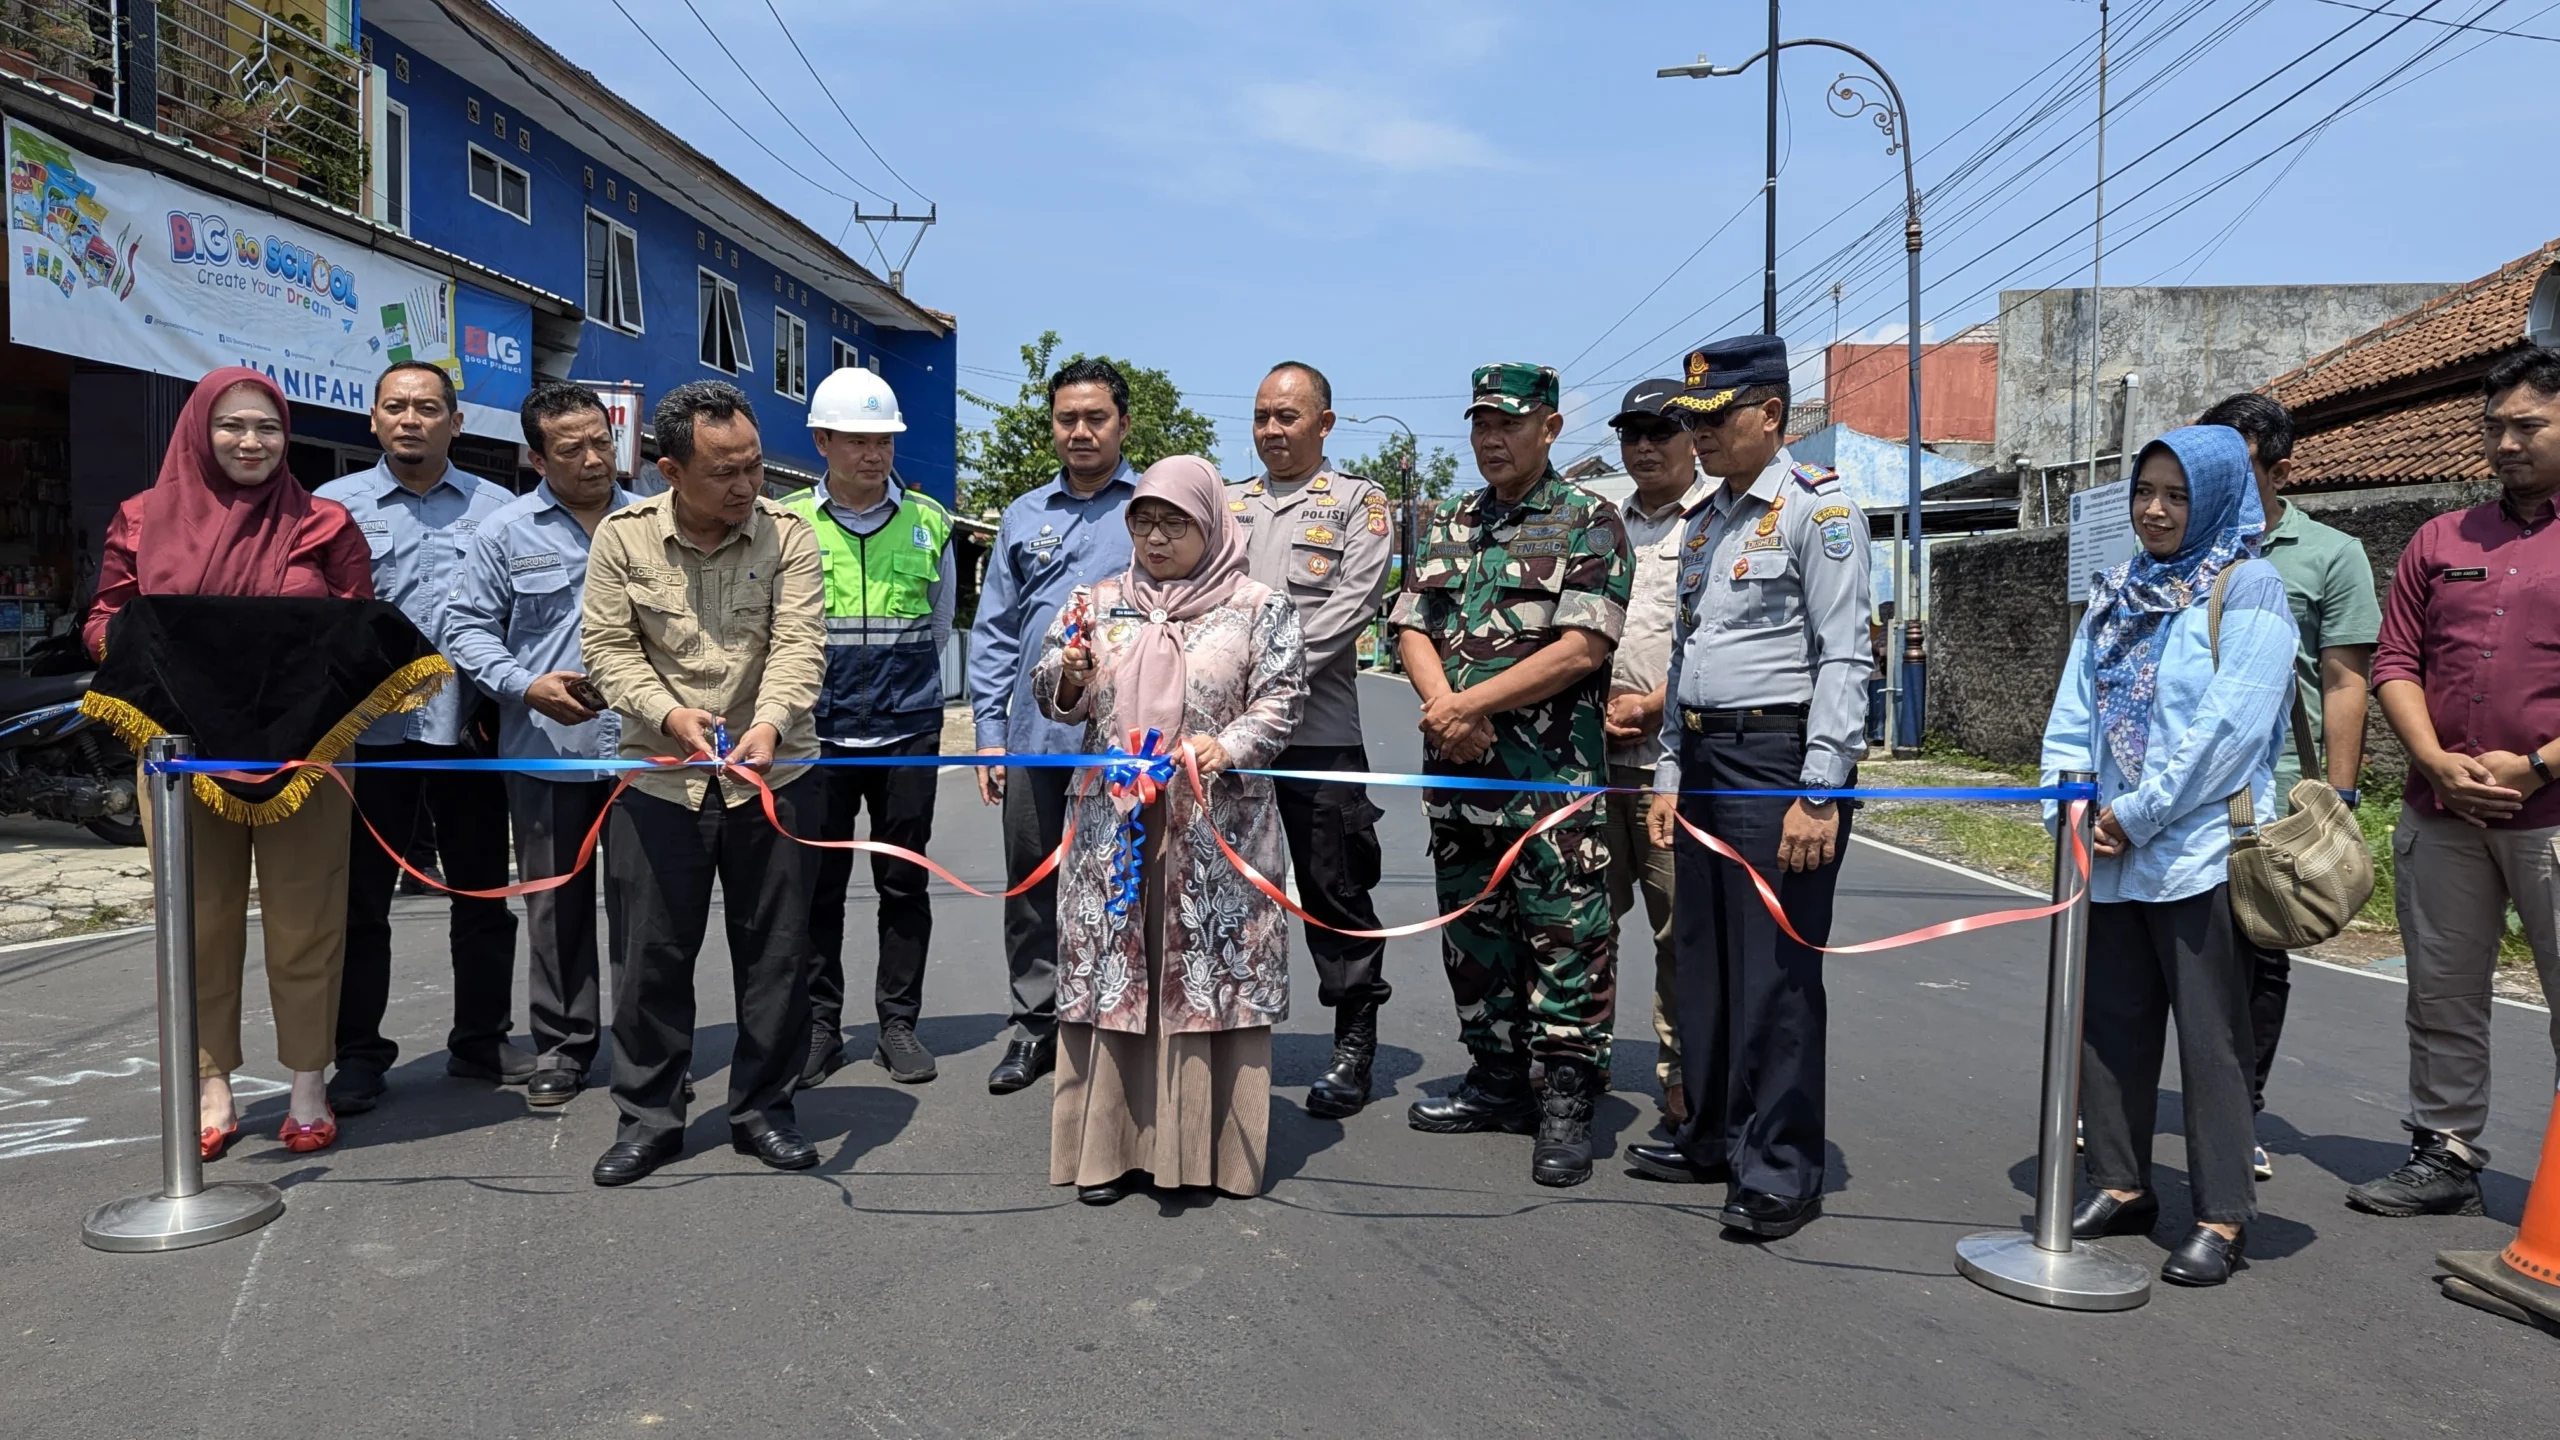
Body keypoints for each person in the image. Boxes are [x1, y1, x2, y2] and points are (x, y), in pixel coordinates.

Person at [84, 368, 373, 1156]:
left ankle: (308, 1085)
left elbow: (355, 626)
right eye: (233, 425)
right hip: (182, 752)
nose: (251, 442)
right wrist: (161, 664)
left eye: (268, 428)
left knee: (306, 917)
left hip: (306, 751)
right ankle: (212, 1086)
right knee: (198, 923)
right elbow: (106, 618)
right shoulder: (141, 521)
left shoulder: (324, 522)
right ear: (198, 431)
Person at [2039, 424, 2294, 1287]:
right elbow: (2074, 709)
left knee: (2213, 1039)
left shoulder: (2249, 587)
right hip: (2108, 849)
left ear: (2219, 498)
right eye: (2145, 492)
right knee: (2110, 1025)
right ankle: (2121, 1181)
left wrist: (2139, 813)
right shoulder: (2119, 591)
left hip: (2199, 852)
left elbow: (2229, 728)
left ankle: (2223, 1214)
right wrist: (2067, 802)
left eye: (2176, 495)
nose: (2154, 510)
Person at [1626, 337, 1870, 1241]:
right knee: (1706, 963)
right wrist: (1669, 771)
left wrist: (1819, 787)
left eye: (1715, 420)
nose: (1701, 438)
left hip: (1780, 764)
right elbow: (1687, 655)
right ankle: (1713, 1136)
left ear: (1771, 415)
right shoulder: (1705, 521)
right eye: (1695, 422)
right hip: (1703, 759)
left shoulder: (1820, 512)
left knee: (1776, 976)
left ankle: (1780, 1167)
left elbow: (1846, 654)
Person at [1033, 456, 1306, 1203]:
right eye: (1144, 520)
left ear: (1212, 524)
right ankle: (1108, 1149)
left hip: (1214, 824)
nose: (1155, 537)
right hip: (1111, 830)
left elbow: (1282, 700)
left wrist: (1229, 746)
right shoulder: (1097, 599)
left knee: (1204, 970)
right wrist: (1071, 669)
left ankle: (1206, 1153)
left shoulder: (1258, 607)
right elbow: (1054, 695)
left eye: (1174, 522)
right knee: (1115, 970)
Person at [1388, 362, 1632, 1189]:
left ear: (1551, 429)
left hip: (1551, 784)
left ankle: (1564, 1097)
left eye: (1510, 424)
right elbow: (1411, 624)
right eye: (1481, 424)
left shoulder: (1589, 521)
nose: (1492, 439)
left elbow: (1582, 647)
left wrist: (1469, 705)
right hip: (1459, 779)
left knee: (1565, 938)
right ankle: (1496, 1077)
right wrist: (1444, 707)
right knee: (1473, 932)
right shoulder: (1449, 520)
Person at [578, 382, 827, 1186]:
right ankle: (649, 1119)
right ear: (669, 471)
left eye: (754, 466)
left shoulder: (789, 535)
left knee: (777, 958)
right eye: (725, 472)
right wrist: (669, 716)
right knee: (650, 958)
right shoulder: (622, 539)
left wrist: (770, 725)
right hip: (659, 781)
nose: (747, 486)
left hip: (774, 776)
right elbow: (609, 651)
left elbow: (799, 645)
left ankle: (765, 1110)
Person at [2355, 347, 2560, 1219]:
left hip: (2552, 812)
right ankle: (2444, 1152)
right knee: (2442, 990)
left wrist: (2541, 762)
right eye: (2493, 427)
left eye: (2529, 426)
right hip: (2441, 814)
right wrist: (2435, 761)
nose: (2506, 443)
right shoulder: (2441, 541)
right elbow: (2394, 661)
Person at [318, 361, 524, 1115]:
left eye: (429, 408)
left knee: (481, 893)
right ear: (372, 418)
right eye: (396, 407)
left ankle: (480, 1039)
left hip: (470, 733)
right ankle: (359, 1055)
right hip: (371, 739)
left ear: (456, 423)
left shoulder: (499, 509)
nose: (411, 419)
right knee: (362, 903)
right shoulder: (331, 509)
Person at [2195, 392, 2379, 1182]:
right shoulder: (2179, 550)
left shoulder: (2328, 555)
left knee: (2258, 955)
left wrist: (2336, 794)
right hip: (2180, 787)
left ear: (2280, 468)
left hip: (2270, 792)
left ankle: (2243, 1113)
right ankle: (2111, 1107)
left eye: (2234, 467)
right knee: (2149, 954)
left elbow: (2344, 680)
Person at [442, 382, 634, 1108]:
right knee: (555, 906)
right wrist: (523, 685)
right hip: (546, 747)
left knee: (645, 907)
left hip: (642, 750)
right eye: (571, 448)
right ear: (535, 456)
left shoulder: (654, 521)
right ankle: (563, 1045)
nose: (593, 460)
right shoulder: (505, 532)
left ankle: (647, 1042)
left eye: (601, 442)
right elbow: (466, 628)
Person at [967, 357, 1139, 1094]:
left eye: (1095, 417)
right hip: (1037, 741)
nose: (1080, 431)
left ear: (1124, 424)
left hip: (1128, 745)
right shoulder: (1022, 515)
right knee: (1032, 887)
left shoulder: (1155, 505)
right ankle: (1033, 1025)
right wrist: (987, 733)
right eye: (1067, 418)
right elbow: (996, 630)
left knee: (1123, 886)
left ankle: (1114, 1025)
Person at [782, 367, 954, 1088]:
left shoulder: (930, 521)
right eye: (856, 440)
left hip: (907, 731)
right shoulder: (785, 521)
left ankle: (897, 1025)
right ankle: (821, 1027)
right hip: (814, 736)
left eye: (883, 440)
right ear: (821, 440)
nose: (873, 454)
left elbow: (941, 625)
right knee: (813, 888)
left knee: (903, 886)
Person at [1232, 361, 1395, 1117]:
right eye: (1263, 416)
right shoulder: (1225, 505)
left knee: (1334, 889)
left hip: (1315, 737)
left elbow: (1348, 610)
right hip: (1229, 744)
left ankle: (1353, 1043)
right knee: (1227, 890)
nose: (1272, 429)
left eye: (1288, 417)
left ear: (1324, 423)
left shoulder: (1360, 505)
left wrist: (1253, 674)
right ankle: (1227, 1036)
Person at [1600, 378, 1709, 1130]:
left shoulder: (1716, 520)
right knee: (1582, 921)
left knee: (1681, 931)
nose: (1644, 446)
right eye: (1632, 433)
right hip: (1595, 766)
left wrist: (1656, 702)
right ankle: (1578, 1057)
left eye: (1659, 432)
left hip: (1674, 766)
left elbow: (1724, 642)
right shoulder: (1600, 526)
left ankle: (1682, 1072)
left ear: (1692, 438)